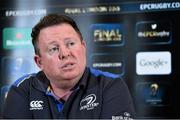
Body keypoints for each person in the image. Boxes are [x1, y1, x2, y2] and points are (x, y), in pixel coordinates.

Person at [3, 14, 136, 119]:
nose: (65, 53)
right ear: (39, 62)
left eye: (71, 43)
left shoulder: (110, 86)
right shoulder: (22, 90)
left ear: (83, 47)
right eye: (54, 49)